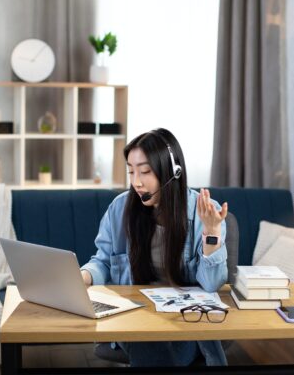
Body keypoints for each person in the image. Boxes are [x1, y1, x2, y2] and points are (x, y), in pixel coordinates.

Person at [80, 128, 229, 367]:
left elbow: (212, 284)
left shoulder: (205, 212)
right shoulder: (120, 209)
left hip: (184, 319)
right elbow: (104, 261)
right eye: (131, 171)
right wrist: (84, 276)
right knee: (145, 340)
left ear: (173, 172)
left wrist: (211, 234)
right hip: (134, 315)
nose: (136, 182)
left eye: (145, 171)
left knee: (167, 350)